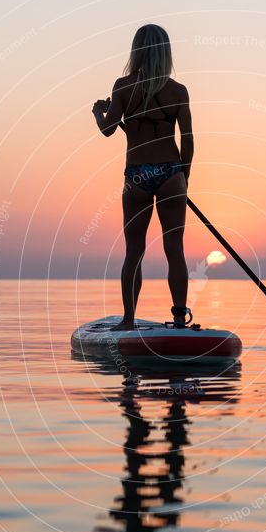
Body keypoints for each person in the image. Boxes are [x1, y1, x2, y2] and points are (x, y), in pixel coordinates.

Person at [92, 24, 194, 330]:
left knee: (134, 250)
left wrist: (99, 112)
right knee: (174, 248)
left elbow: (108, 129)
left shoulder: (122, 86)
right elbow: (188, 141)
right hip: (171, 174)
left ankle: (128, 320)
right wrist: (183, 179)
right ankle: (179, 320)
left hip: (137, 175)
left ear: (136, 51)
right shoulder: (178, 91)